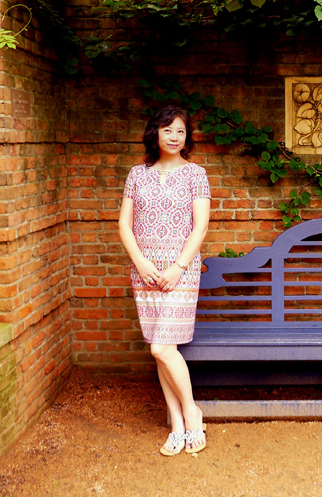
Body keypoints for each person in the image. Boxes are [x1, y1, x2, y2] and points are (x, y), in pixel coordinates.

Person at [118, 105, 211, 456]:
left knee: (160, 348)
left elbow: (200, 227)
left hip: (180, 272)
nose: (174, 136)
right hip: (145, 271)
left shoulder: (196, 174)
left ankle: (191, 411)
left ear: (187, 138)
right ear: (154, 133)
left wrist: (178, 267)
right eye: (168, 129)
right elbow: (124, 225)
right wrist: (140, 262)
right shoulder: (137, 174)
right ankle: (177, 425)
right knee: (163, 350)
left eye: (180, 131)